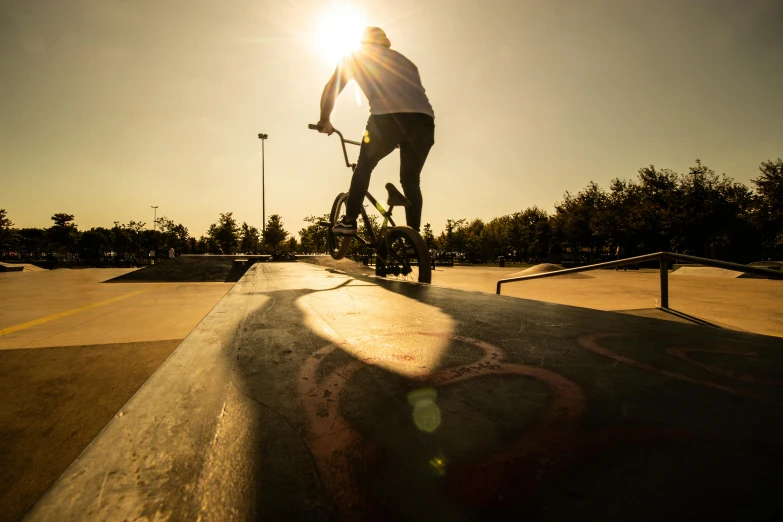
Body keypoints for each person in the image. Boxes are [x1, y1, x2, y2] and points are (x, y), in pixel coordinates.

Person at [316, 26, 435, 235]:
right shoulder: (406, 62)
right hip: (424, 122)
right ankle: (412, 237)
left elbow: (332, 87)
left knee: (364, 166)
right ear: (386, 43)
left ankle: (349, 221)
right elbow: (411, 99)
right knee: (410, 180)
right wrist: (403, 134)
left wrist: (324, 119)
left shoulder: (355, 56)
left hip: (387, 119)